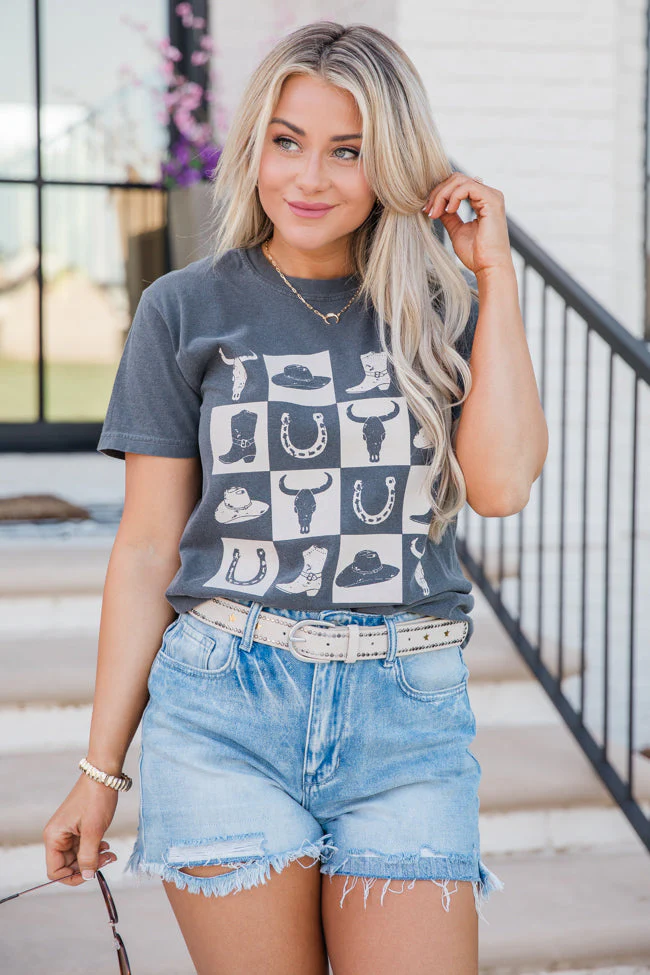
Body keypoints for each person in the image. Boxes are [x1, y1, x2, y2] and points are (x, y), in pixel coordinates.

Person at [42, 20, 547, 975]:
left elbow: (503, 483)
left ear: (392, 164)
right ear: (255, 147)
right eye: (288, 141)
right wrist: (99, 772)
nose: (310, 177)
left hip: (407, 718)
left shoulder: (448, 306)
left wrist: (494, 271)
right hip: (223, 708)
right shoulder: (184, 307)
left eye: (347, 151)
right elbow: (147, 549)